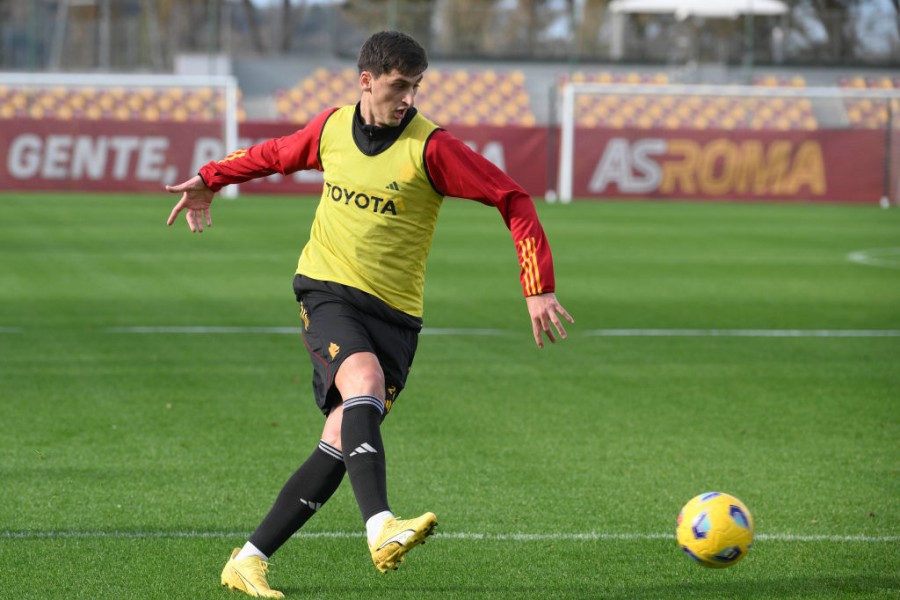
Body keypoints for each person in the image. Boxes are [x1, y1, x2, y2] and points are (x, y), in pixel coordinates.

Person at [165, 30, 573, 599]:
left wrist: (537, 286)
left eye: (416, 87)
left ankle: (249, 559)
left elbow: (513, 199)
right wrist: (210, 178)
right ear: (367, 81)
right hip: (326, 290)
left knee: (340, 438)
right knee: (364, 380)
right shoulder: (332, 128)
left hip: (396, 316)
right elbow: (273, 154)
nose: (408, 97)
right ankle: (381, 526)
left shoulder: (433, 148)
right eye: (399, 86)